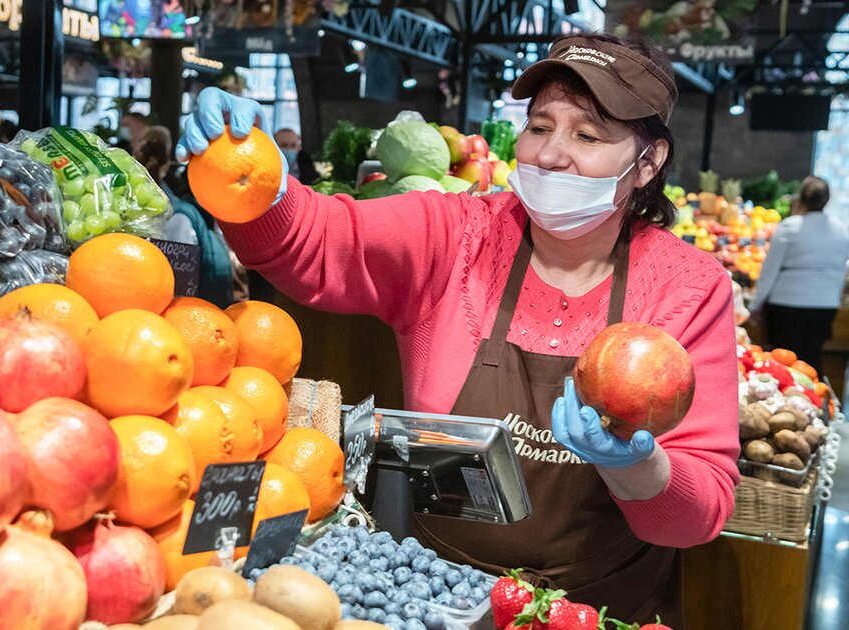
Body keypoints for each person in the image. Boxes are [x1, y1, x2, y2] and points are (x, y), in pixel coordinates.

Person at [176, 33, 738, 625]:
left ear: (647, 163)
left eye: (588, 136)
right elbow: (312, 240)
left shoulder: (687, 288)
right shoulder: (456, 237)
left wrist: (634, 465)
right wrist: (251, 175)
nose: (549, 155)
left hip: (598, 610)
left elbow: (698, 515)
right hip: (431, 598)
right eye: (540, 127)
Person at [136, 125, 246, 307]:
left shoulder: (188, 214)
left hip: (197, 317)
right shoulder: (181, 215)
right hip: (193, 318)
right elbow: (178, 284)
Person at [750, 176, 849, 368]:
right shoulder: (842, 230)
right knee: (812, 361)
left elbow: (770, 271)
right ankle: (814, 396)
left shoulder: (789, 227)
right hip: (825, 305)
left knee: (782, 362)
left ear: (801, 198)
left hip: (787, 304)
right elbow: (840, 271)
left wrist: (755, 305)